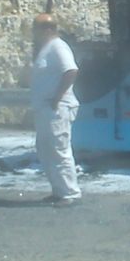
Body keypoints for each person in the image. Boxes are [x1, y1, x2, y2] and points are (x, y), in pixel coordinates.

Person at [30, 13, 82, 207]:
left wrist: (57, 98)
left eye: (36, 28)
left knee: (60, 151)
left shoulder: (58, 46)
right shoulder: (46, 49)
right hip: (45, 108)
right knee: (46, 150)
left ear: (48, 29)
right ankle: (58, 190)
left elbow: (71, 71)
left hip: (57, 108)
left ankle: (70, 193)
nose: (33, 32)